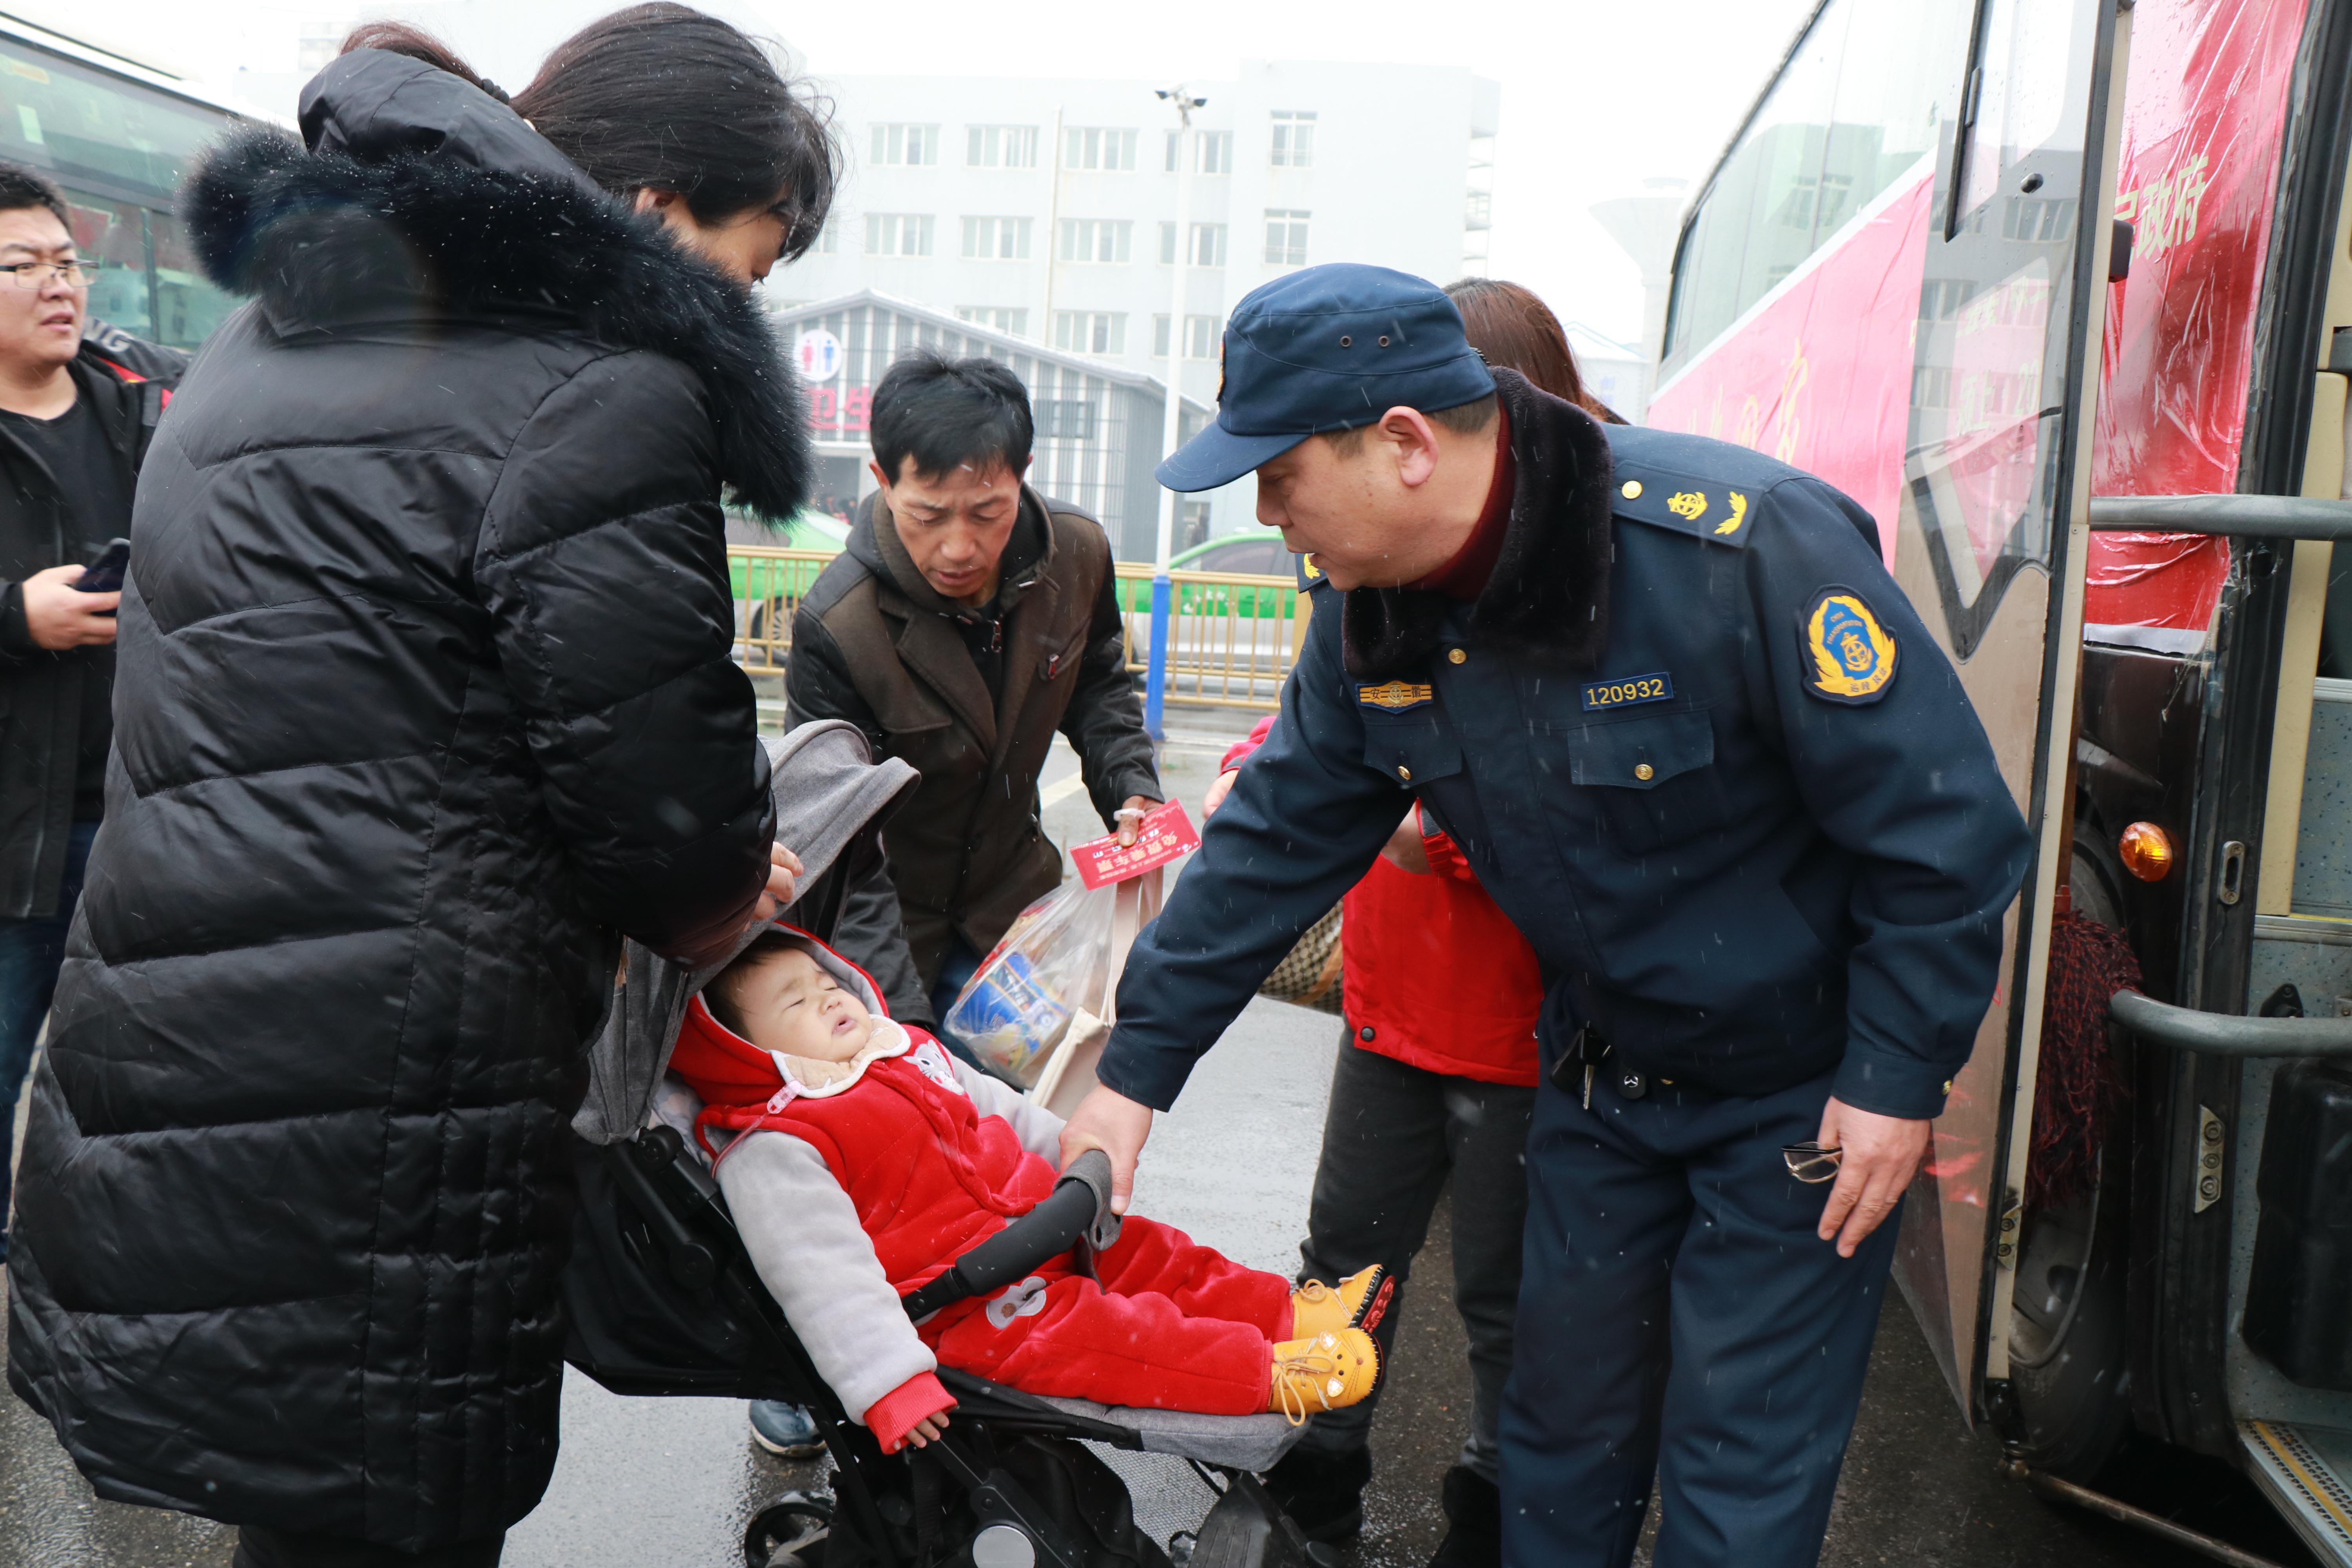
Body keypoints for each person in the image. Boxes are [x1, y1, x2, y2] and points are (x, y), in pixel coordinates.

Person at [6, 12, 833, 1566]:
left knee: (297, 1502)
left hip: (185, 1042)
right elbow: (666, 809)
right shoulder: (595, 384)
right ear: (654, 208)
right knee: (393, 1508)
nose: (739, 305)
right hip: (397, 1089)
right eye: (751, 258)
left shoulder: (277, 332)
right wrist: (734, 882)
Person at [1056, 264, 2033, 1568]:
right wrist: (1129, 1085)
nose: (1269, 516)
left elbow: (1944, 827)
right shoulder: (1374, 617)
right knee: (1554, 1462)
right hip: (1597, 1091)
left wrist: (1898, 1073)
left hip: (1796, 1109)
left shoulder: (1736, 549)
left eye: (1280, 476)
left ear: (1403, 446)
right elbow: (1272, 847)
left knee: (1736, 1488)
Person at [1201, 280, 1606, 1568]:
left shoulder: (1579, 574)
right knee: (1344, 1262)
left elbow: (1528, 829)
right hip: (1388, 1007)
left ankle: (1493, 1512)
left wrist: (1396, 815)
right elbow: (1328, 744)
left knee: (1506, 1299)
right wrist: (1264, 779)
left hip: (1519, 1033)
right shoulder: (1379, 574)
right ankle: (1317, 1478)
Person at [659, 927, 1385, 1450]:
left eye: (826, 983)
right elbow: (823, 1280)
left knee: (1163, 1256)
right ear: (744, 1052)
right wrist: (888, 1381)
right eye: (796, 1006)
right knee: (1122, 1342)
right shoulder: (779, 1145)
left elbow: (998, 1109)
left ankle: (1290, 1315)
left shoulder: (904, 1049)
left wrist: (1075, 1154)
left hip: (1042, 1226)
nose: (828, 1000)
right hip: (977, 1303)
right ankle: (1272, 1374)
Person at [786, 352, 1161, 1039]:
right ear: (883, 481)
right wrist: (902, 1021)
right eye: (928, 515)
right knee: (925, 1116)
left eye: (987, 513)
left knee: (1044, 1112)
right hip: (890, 926)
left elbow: (1098, 680)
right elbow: (835, 834)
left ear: (1021, 478)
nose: (959, 546)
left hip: (1016, 910)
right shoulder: (840, 623)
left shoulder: (1076, 554)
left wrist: (1132, 785)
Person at [0, 164, 184, 1269]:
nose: (58, 286)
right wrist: (14, 617)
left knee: (131, 1081)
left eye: (68, 262)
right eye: (23, 267)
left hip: (142, 816)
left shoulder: (141, 399)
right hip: (11, 834)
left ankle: (98, 1284)